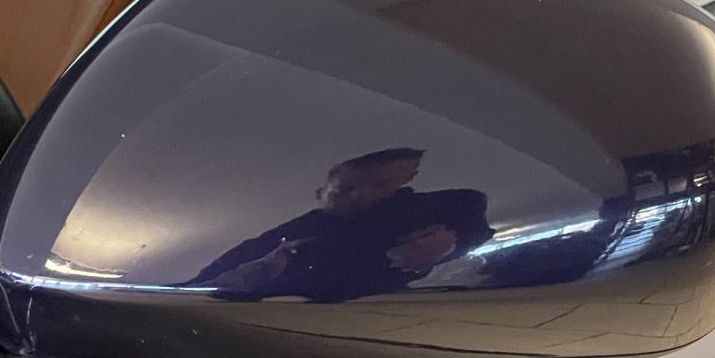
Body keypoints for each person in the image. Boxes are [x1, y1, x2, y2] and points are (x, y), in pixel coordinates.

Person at [192, 147, 491, 301]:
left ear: (406, 180)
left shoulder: (424, 209)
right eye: (346, 189)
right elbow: (234, 262)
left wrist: (453, 241)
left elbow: (476, 216)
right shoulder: (303, 229)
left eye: (381, 185)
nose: (363, 196)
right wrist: (188, 290)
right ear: (322, 190)